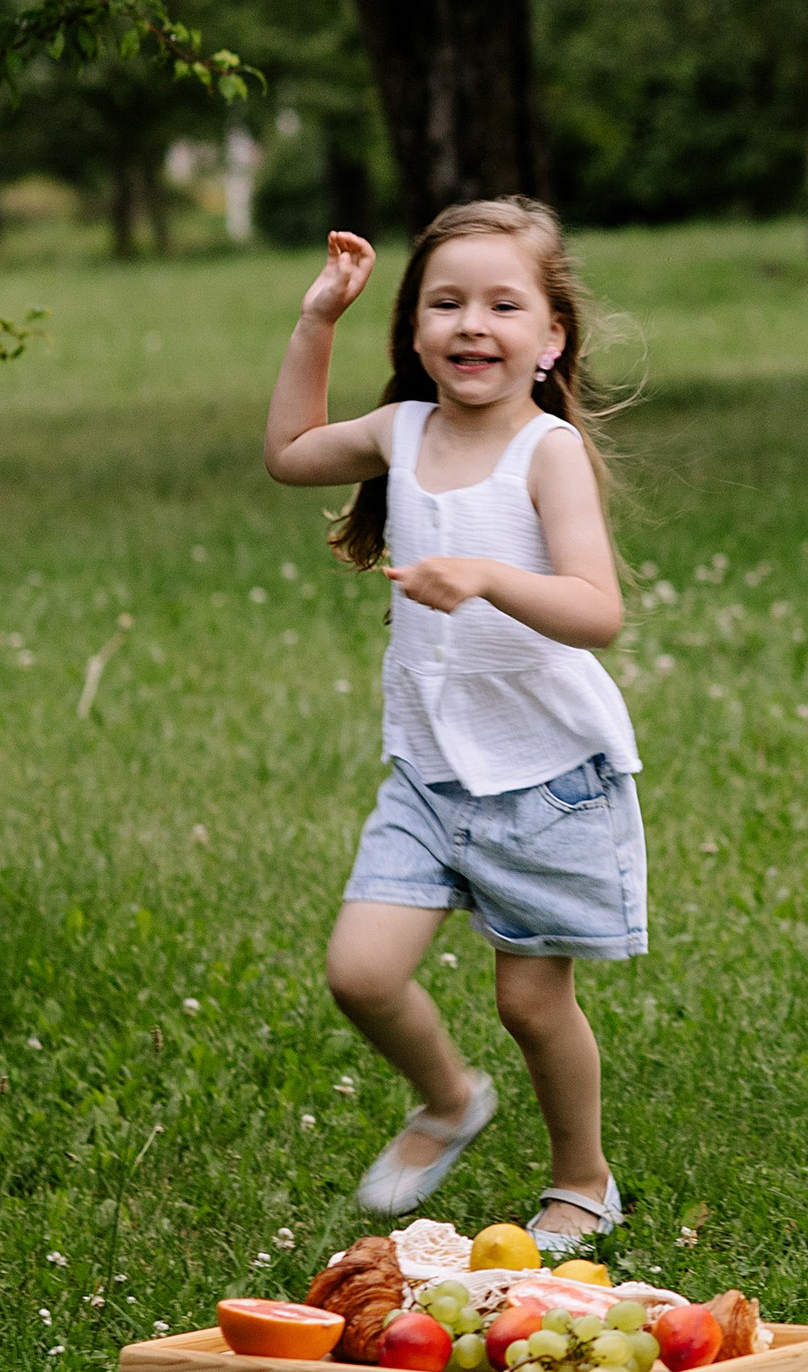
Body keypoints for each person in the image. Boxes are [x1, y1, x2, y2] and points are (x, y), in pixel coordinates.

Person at [264, 197, 645, 1253]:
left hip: (547, 781)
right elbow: (291, 453)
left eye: (502, 303)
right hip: (428, 778)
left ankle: (584, 1179)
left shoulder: (546, 452)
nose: (472, 322)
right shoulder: (404, 430)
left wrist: (485, 576)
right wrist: (315, 320)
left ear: (550, 336)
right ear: (417, 328)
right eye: (445, 302)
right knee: (361, 973)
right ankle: (447, 1097)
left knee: (531, 1003)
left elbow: (595, 609)